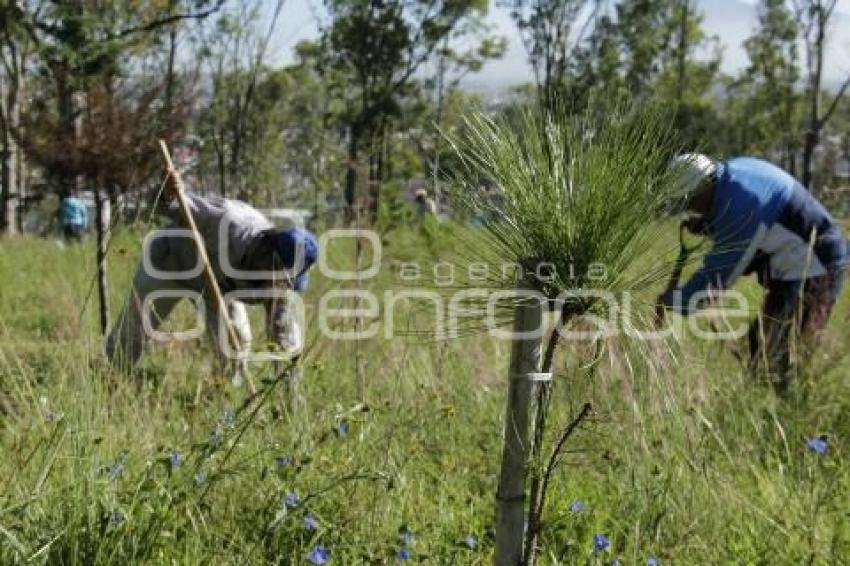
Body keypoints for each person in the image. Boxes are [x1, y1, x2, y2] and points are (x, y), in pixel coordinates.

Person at [657, 154, 847, 391]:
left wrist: (675, 301)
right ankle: (770, 403)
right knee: (762, 344)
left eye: (690, 200)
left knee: (779, 352)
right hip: (795, 265)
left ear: (703, 187)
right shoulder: (732, 175)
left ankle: (787, 412)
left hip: (817, 266)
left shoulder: (740, 208)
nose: (690, 208)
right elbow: (764, 221)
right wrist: (709, 226)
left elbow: (714, 281)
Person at [106, 184, 319, 388]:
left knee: (237, 346)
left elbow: (285, 341)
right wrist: (168, 191)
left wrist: (290, 393)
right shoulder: (229, 220)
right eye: (276, 270)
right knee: (132, 333)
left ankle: (227, 400)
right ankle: (109, 379)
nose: (277, 282)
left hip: (216, 287)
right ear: (267, 249)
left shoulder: (283, 286)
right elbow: (167, 205)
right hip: (169, 262)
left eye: (285, 278)